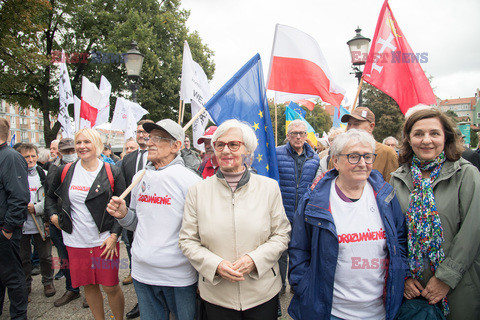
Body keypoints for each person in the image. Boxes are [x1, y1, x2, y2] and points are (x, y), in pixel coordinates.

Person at [288, 129, 407, 320]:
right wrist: (304, 287)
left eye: (367, 157)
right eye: (353, 156)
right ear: (335, 161)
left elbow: (399, 240)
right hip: (331, 312)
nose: (362, 163)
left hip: (379, 312)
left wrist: (402, 277)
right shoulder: (314, 201)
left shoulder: (386, 196)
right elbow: (299, 249)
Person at [179, 119, 291, 320]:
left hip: (261, 292)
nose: (226, 150)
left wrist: (254, 260)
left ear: (247, 150)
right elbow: (187, 240)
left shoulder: (269, 188)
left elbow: (281, 235)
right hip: (217, 295)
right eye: (220, 145)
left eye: (233, 144)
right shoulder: (197, 191)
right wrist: (215, 265)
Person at [107, 119, 202, 320]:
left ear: (176, 146)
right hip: (142, 271)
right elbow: (135, 223)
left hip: (178, 274)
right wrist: (123, 215)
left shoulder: (191, 181)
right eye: (150, 137)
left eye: (158, 138)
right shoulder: (139, 178)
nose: (149, 142)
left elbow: (201, 230)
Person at [390, 109, 480, 319]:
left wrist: (446, 278)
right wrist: (403, 276)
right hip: (413, 291)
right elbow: (394, 233)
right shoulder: (398, 178)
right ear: (409, 139)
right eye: (418, 134)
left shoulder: (466, 174)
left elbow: (472, 232)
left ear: (446, 137)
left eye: (434, 133)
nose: (426, 140)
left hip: (459, 286)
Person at [45, 128, 126, 320]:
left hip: (104, 241)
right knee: (89, 285)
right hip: (75, 241)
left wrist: (114, 235)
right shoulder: (65, 170)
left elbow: (124, 205)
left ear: (96, 144)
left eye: (87, 142)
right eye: (79, 142)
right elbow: (50, 197)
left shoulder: (111, 170)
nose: (82, 146)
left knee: (110, 286)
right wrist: (53, 216)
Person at [276, 119, 319, 294]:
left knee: (300, 250)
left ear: (306, 136)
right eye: (294, 133)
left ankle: (296, 283)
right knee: (280, 251)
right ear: (288, 136)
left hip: (303, 213)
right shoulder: (276, 153)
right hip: (281, 210)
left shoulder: (314, 158)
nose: (299, 137)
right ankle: (279, 286)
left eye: (302, 133)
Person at [119, 119, 154, 319]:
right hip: (132, 219)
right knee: (135, 258)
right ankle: (142, 301)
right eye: (139, 132)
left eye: (145, 132)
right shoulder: (128, 160)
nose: (142, 135)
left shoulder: (159, 155)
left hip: (154, 218)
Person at [46, 138, 82, 307]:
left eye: (71, 151)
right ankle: (72, 289)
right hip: (59, 223)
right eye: (66, 152)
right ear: (59, 153)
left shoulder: (86, 168)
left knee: (85, 259)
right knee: (64, 258)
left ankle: (91, 290)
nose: (70, 155)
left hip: (81, 223)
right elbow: (49, 196)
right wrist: (52, 217)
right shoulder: (54, 169)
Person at [0, 118, 30, 320]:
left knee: (12, 277)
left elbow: (19, 196)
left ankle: (19, 317)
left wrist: (8, 229)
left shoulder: (10, 157)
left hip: (5, 230)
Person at [17, 144, 56, 298]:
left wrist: (37, 208)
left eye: (33, 156)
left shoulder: (44, 174)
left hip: (41, 222)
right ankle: (25, 284)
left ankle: (48, 282)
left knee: (45, 256)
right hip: (21, 224)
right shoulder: (15, 175)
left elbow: (50, 198)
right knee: (23, 257)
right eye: (26, 157)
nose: (31, 159)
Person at [336, 107, 399, 182]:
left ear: (371, 127)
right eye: (349, 124)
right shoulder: (339, 151)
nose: (351, 128)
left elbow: (392, 187)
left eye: (356, 124)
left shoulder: (387, 153)